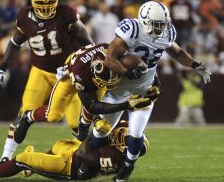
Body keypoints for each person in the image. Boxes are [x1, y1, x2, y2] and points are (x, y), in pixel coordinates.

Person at [87, 1, 211, 181]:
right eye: (157, 24)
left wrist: (196, 65)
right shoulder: (133, 29)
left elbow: (176, 53)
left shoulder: (167, 31)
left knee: (136, 135)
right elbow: (109, 58)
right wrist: (127, 71)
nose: (161, 27)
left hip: (145, 91)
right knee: (101, 130)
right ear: (145, 21)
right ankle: (89, 162)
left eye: (163, 23)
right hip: (119, 90)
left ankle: (125, 172)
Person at [0, 0, 94, 164]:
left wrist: (78, 66)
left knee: (77, 124)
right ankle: (5, 157)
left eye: (49, 4)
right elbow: (15, 42)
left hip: (67, 74)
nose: (46, 9)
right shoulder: (25, 16)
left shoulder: (66, 14)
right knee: (24, 111)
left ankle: (85, 160)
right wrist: (2, 67)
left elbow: (89, 45)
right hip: (40, 72)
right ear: (33, 2)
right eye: (41, 4)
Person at [14, 43, 156, 143]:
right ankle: (28, 117)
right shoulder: (81, 74)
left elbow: (140, 64)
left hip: (93, 72)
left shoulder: (113, 54)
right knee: (53, 116)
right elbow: (92, 105)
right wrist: (125, 105)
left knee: (95, 100)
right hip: (70, 76)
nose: (105, 85)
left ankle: (83, 126)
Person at [0, 121, 150, 181]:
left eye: (127, 138)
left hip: (70, 166)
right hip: (73, 151)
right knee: (58, 144)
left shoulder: (116, 159)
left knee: (23, 157)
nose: (124, 133)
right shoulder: (123, 132)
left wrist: (94, 132)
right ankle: (29, 168)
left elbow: (83, 154)